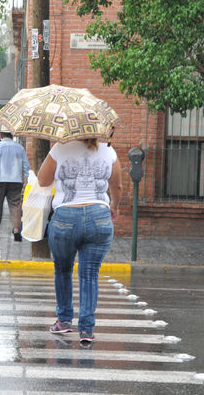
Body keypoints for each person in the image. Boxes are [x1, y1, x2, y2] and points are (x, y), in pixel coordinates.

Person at [37, 138, 122, 345]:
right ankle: (86, 329)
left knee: (62, 269)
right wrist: (114, 206)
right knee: (90, 274)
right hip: (99, 216)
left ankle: (64, 320)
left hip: (65, 216)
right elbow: (117, 186)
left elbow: (42, 180)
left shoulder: (60, 148)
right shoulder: (109, 151)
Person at [0, 131, 31, 241]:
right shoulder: (20, 148)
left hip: (0, 181)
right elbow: (26, 166)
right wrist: (29, 180)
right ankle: (16, 229)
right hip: (16, 180)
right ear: (12, 135)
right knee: (15, 205)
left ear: (1, 135)